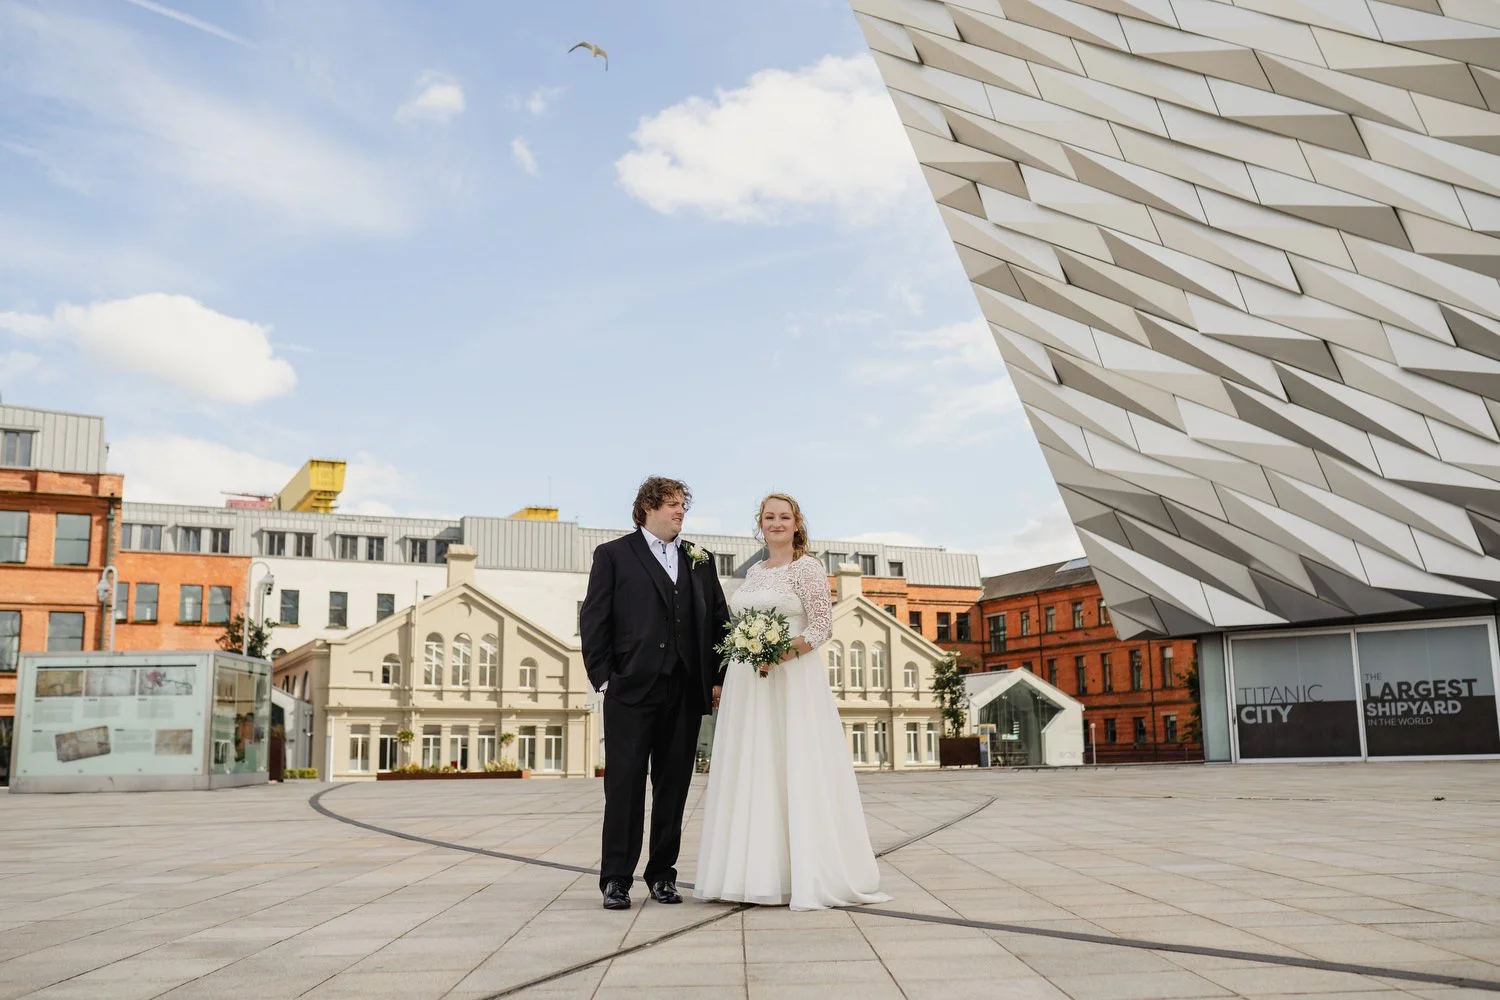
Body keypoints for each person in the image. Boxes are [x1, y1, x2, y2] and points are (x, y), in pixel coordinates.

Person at [695, 493, 890, 910]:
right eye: (770, 517)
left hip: (791, 679)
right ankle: (750, 873)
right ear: (760, 524)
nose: (777, 523)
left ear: (797, 524)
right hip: (747, 681)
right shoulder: (754, 572)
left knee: (792, 764)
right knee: (753, 767)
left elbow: (821, 627)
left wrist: (779, 653)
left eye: (785, 517)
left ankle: (800, 872)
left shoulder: (807, 568)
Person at [581, 476, 730, 911]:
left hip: (684, 690)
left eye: (683, 504)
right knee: (624, 786)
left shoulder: (700, 559)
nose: (680, 511)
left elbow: (718, 619)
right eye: (672, 504)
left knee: (673, 788)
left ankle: (663, 875)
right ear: (647, 508)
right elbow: (594, 619)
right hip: (630, 690)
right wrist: (605, 678)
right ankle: (616, 879)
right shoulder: (613, 555)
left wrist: (717, 677)